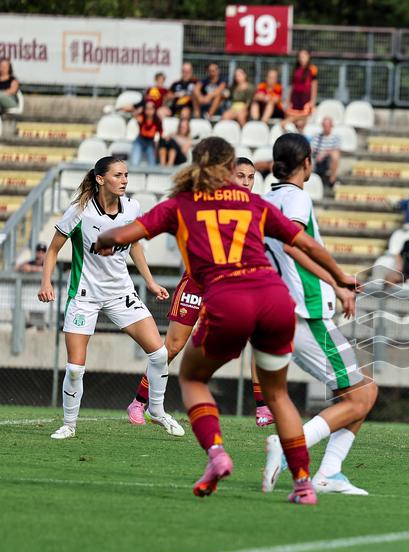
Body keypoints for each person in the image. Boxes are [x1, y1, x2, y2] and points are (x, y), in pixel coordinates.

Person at [95, 137, 350, 505]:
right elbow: (305, 243)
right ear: (231, 170)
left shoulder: (180, 204)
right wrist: (340, 279)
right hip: (275, 300)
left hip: (229, 300)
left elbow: (121, 234)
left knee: (192, 378)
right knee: (278, 394)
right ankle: (303, 484)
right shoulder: (253, 202)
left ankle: (216, 453)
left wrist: (104, 240)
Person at [261, 133, 378, 495]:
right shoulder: (296, 197)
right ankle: (291, 448)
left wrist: (336, 284)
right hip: (305, 313)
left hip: (279, 311)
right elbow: (294, 243)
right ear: (307, 162)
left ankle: (329, 473)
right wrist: (338, 277)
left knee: (361, 391)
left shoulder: (267, 198)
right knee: (362, 396)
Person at [36, 156, 182, 441]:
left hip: (120, 293)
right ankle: (69, 425)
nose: (124, 180)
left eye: (126, 175)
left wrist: (150, 281)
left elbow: (134, 244)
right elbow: (53, 250)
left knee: (159, 353)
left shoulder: (132, 207)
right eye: (118, 175)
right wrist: (46, 282)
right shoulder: (79, 212)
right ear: (101, 179)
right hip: (85, 295)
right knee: (75, 369)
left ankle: (156, 410)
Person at [126, 158, 277, 428]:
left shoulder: (256, 210)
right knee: (172, 347)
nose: (246, 182)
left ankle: (262, 407)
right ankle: (139, 402)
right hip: (197, 283)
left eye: (250, 177)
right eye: (240, 176)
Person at [285, 49, 318, 131]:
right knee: (294, 121)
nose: (302, 59)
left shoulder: (312, 69)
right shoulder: (296, 69)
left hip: (305, 98)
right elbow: (292, 85)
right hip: (295, 98)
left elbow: (314, 85)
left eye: (304, 56)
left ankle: (287, 122)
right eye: (300, 57)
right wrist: (288, 100)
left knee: (302, 121)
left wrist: (313, 100)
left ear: (308, 57)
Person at [310, 117, 341, 187]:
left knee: (335, 155)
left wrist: (324, 154)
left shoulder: (336, 137)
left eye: (327, 125)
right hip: (316, 157)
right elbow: (312, 148)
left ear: (331, 126)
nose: (326, 127)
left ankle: (332, 180)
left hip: (328, 159)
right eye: (324, 125)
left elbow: (337, 150)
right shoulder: (317, 136)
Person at [130, 101, 161, 166]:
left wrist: (156, 148)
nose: (149, 111)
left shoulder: (157, 121)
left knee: (152, 164)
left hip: (150, 143)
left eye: (151, 109)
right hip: (140, 141)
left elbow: (159, 135)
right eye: (147, 109)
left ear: (154, 110)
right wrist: (140, 110)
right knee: (134, 162)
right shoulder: (141, 118)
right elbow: (133, 114)